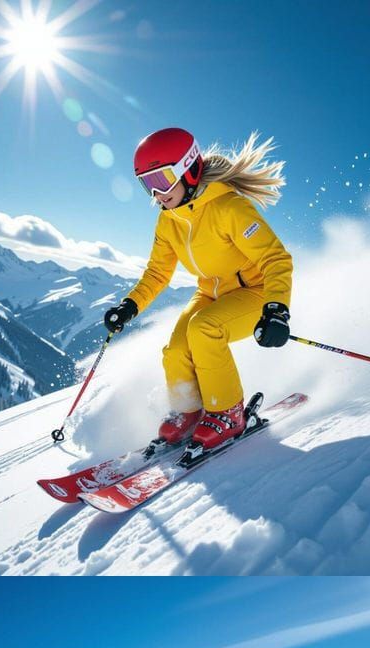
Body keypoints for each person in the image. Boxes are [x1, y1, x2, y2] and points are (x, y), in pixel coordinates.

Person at [103, 127, 292, 454]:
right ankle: (189, 410)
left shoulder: (230, 208)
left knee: (204, 329)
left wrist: (276, 310)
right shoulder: (168, 220)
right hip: (211, 293)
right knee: (176, 350)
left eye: (161, 180)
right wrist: (130, 305)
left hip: (256, 293)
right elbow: (158, 272)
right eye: (147, 184)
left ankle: (228, 412)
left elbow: (275, 258)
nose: (156, 194)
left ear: (187, 169)